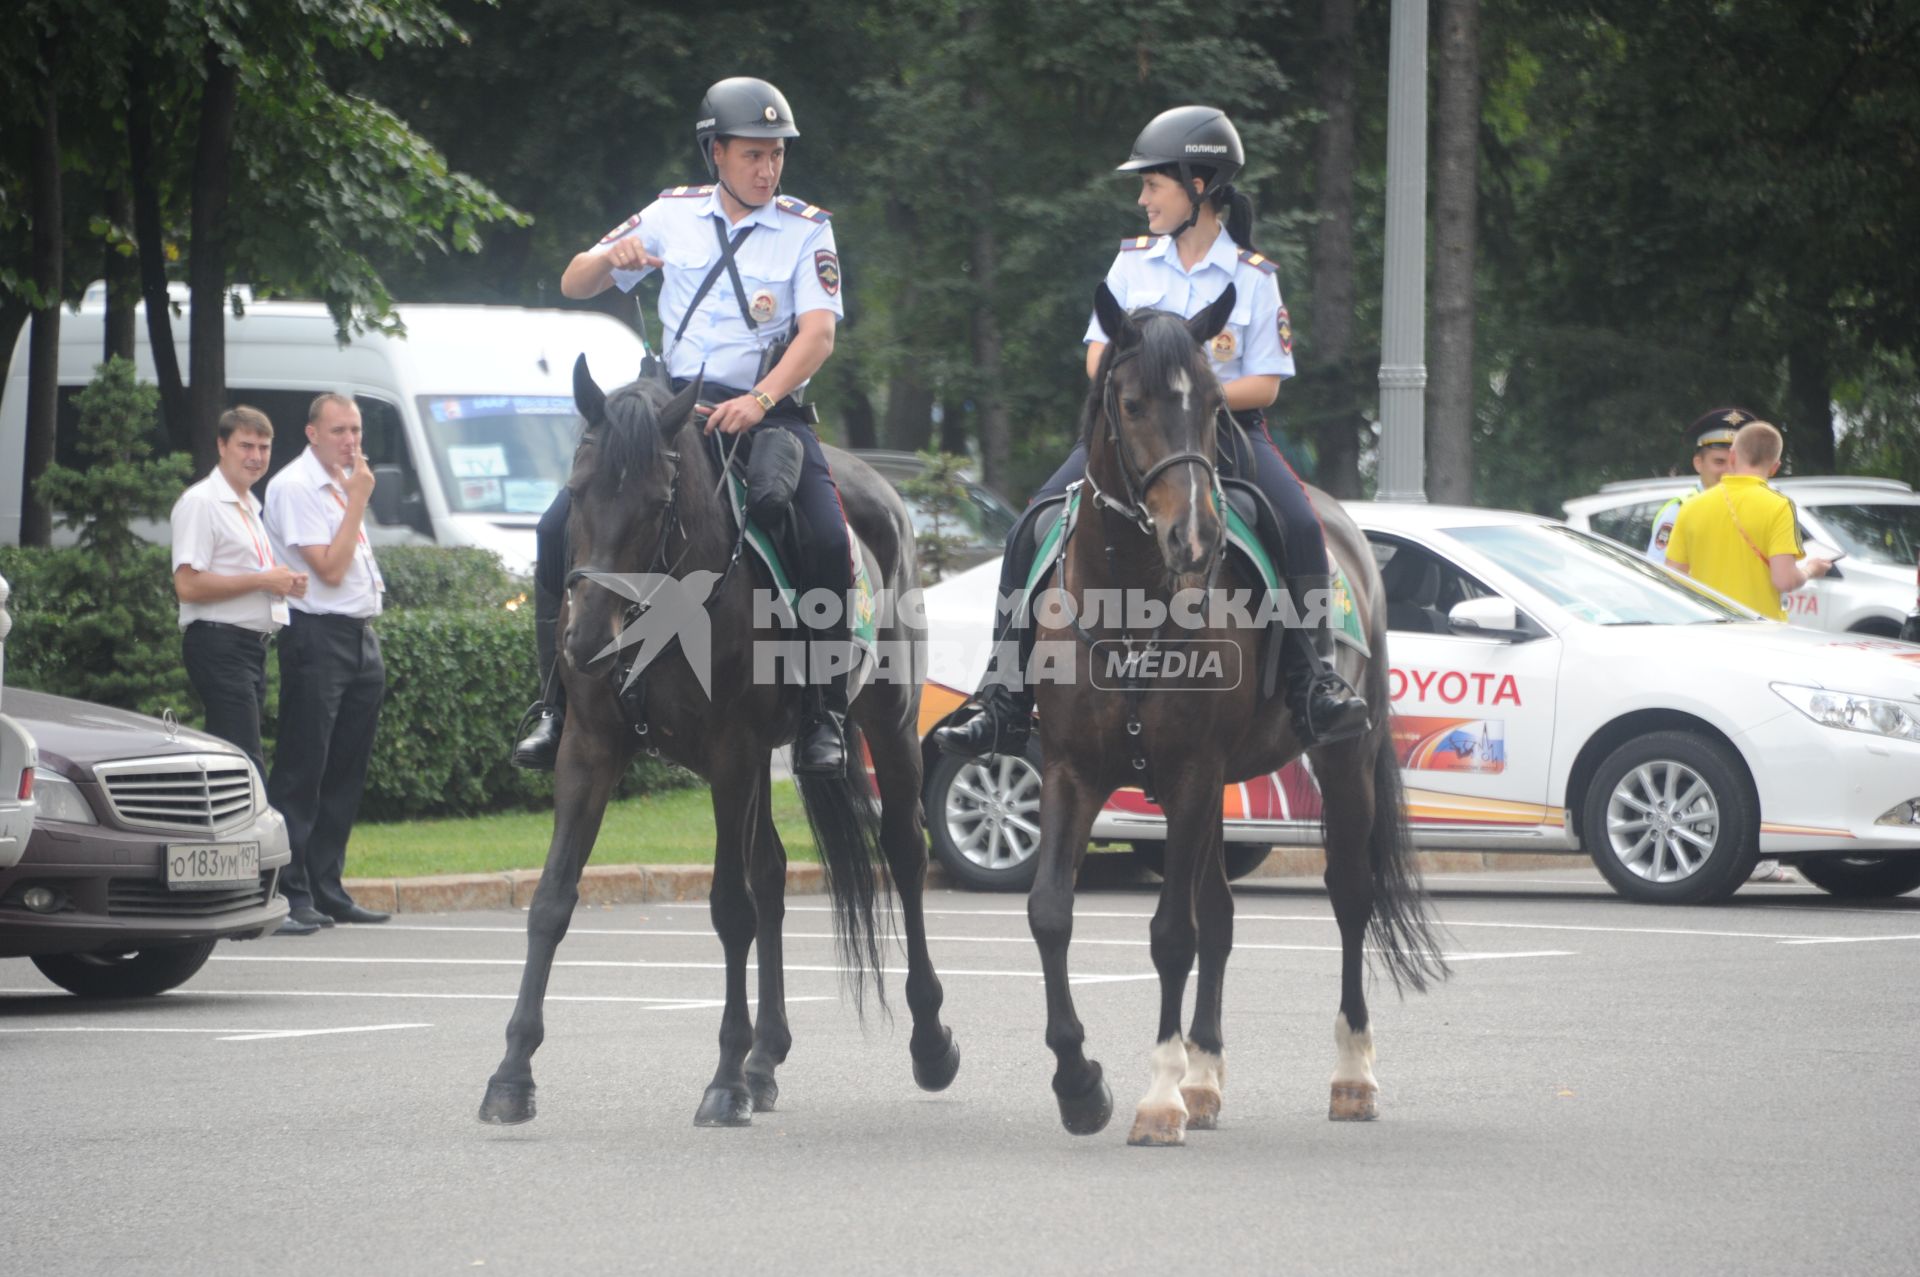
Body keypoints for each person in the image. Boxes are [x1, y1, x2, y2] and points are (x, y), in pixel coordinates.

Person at [933, 105, 1368, 761]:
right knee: (1032, 525)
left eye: (1153, 185)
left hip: (1225, 435)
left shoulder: (1252, 276)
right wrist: (1147, 398)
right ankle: (1003, 694)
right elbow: (1094, 358)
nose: (1141, 200)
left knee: (1302, 526)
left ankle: (1314, 681)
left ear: (1200, 186)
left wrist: (1191, 397)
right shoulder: (1132, 264)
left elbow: (1268, 383)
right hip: (1132, 435)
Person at [520, 75, 853, 776]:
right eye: (753, 155)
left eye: (777, 155)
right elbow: (572, 280)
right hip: (668, 412)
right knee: (556, 527)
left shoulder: (806, 228)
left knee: (823, 535)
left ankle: (823, 711)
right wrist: (614, 259)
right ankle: (555, 705)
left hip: (766, 412)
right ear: (716, 153)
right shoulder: (669, 214)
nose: (768, 169)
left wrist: (761, 399)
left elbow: (817, 336)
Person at [170, 406, 318, 936]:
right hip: (218, 643)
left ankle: (238, 899)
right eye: (245, 447)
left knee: (238, 769)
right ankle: (254, 903)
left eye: (263, 448)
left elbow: (249, 578)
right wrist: (264, 580)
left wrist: (279, 584)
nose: (256, 457)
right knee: (245, 768)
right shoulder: (202, 503)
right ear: (222, 446)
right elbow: (188, 585)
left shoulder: (246, 506)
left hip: (249, 646)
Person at [1666, 419, 1830, 885]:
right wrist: (1812, 567)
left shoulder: (1693, 507)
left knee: (1704, 744)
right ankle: (1760, 853)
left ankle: (1696, 838)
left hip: (1700, 640)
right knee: (1758, 746)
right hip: (1760, 642)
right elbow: (1784, 579)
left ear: (1733, 457)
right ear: (1775, 465)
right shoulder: (1776, 505)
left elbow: (1672, 577)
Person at [262, 393, 391, 927]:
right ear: (312, 433)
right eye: (339, 431)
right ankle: (289, 891)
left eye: (356, 430)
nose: (351, 441)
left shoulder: (343, 483)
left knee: (345, 769)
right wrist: (359, 497)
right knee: (304, 765)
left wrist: (353, 493)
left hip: (359, 635)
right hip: (316, 635)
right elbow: (329, 570)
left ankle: (326, 883)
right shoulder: (296, 486)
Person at [1644, 408, 1743, 562]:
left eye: (1735, 462)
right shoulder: (1678, 512)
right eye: (1719, 462)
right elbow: (1660, 575)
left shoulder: (1754, 508)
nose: (1728, 471)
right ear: (1698, 463)